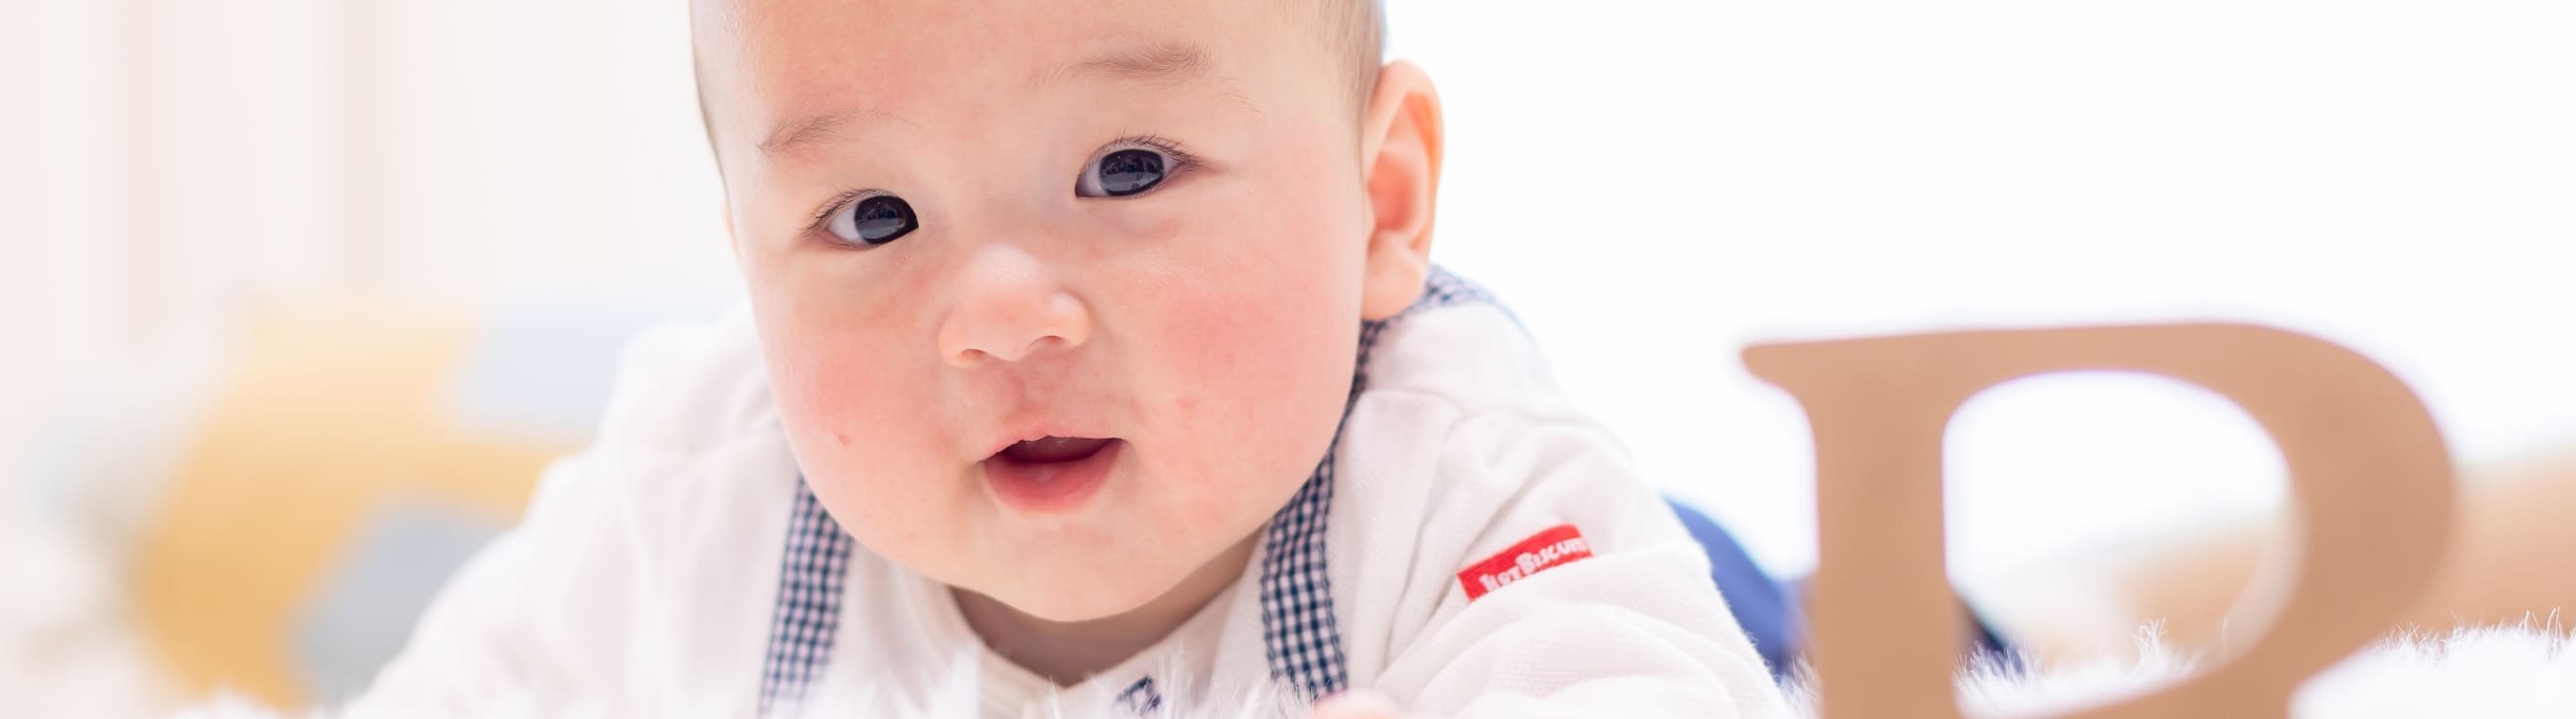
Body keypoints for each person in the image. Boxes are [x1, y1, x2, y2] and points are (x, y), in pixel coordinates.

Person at [358, 0, 1789, 715]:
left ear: (1383, 202)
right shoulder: (694, 490)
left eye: (1128, 170)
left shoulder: (1459, 477)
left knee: (1741, 600)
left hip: (1565, 584)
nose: (1000, 317)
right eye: (873, 217)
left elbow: (1619, 679)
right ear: (748, 261)